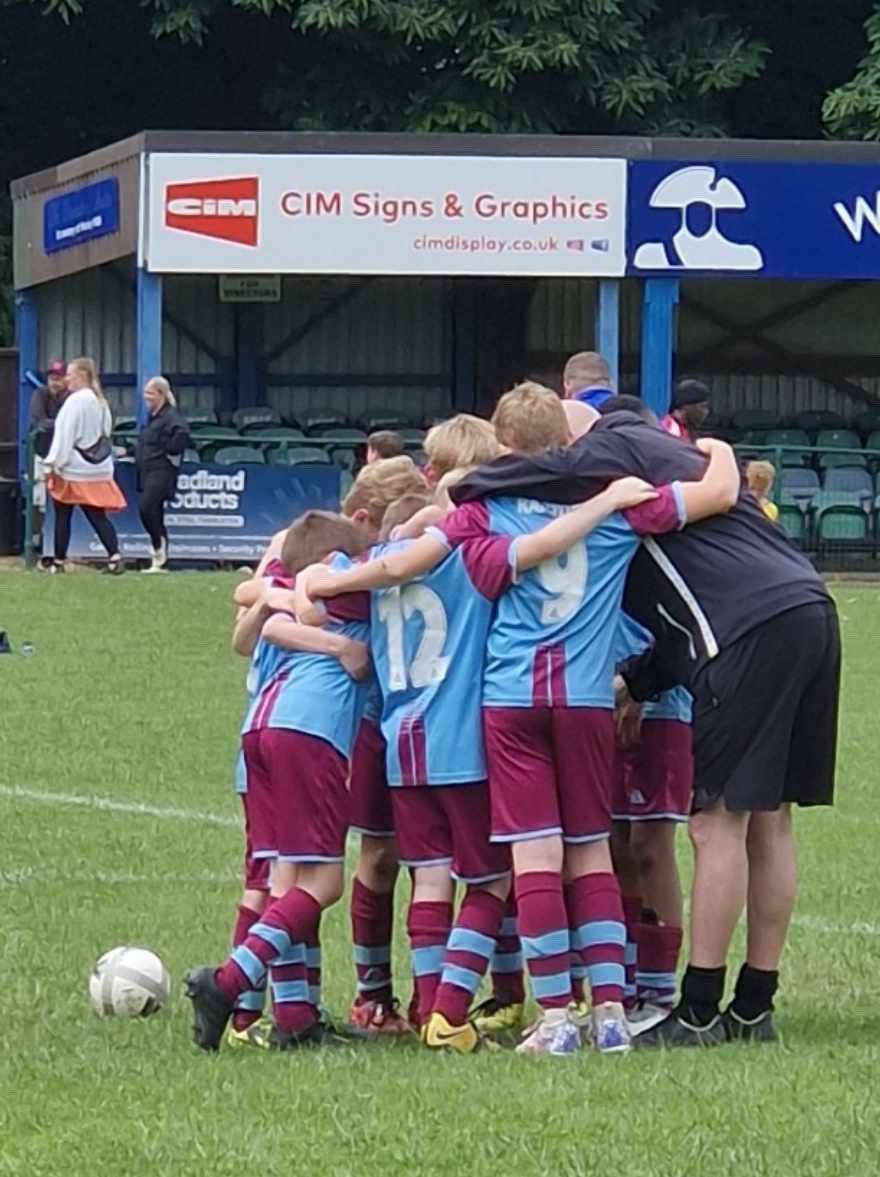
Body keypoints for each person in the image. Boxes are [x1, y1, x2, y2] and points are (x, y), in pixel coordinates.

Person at [301, 384, 740, 1057]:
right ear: (568, 446)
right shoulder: (624, 505)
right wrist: (716, 448)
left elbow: (419, 551)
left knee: (534, 855)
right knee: (591, 847)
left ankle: (558, 1014)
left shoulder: (485, 509)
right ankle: (614, 1009)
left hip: (510, 702)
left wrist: (331, 581)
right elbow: (716, 494)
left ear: (504, 447)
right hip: (588, 698)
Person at [451, 405, 839, 1048]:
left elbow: (518, 476)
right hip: (809, 608)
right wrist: (636, 683)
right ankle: (753, 1004)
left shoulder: (611, 452)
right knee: (772, 818)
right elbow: (673, 618)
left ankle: (698, 1009)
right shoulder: (657, 468)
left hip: (744, 630)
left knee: (716, 822)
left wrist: (465, 483)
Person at [184, 512, 375, 1052]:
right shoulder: (353, 575)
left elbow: (263, 615)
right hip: (307, 732)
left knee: (285, 880)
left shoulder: (295, 583)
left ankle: (293, 1019)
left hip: (263, 729)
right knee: (324, 884)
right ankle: (228, 982)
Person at [611, 614, 693, 1016]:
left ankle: (659, 990)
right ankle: (624, 986)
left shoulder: (657, 549)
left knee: (650, 846)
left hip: (661, 704)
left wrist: (640, 690)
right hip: (598, 700)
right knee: (612, 845)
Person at [42, 357, 125, 575]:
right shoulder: (100, 401)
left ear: (82, 376)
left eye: (70, 374)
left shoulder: (75, 400)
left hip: (72, 468)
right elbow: (106, 434)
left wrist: (52, 464)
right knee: (97, 515)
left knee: (62, 514)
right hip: (98, 468)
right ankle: (115, 557)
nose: (66, 379)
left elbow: (64, 435)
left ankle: (58, 563)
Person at [135, 377, 191, 573]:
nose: (146, 398)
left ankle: (159, 548)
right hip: (146, 470)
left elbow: (182, 435)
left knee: (146, 506)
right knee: (154, 513)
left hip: (161, 471)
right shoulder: (153, 417)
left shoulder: (171, 417)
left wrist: (169, 450)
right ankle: (160, 557)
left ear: (161, 394)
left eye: (150, 393)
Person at [29, 360, 68, 556]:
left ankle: (55, 546)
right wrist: (62, 424)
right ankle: (37, 542)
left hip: (64, 458)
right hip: (42, 453)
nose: (55, 382)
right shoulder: (40, 394)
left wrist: (59, 424)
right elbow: (40, 421)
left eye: (59, 378)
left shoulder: (71, 397)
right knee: (39, 500)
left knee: (62, 501)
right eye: (52, 378)